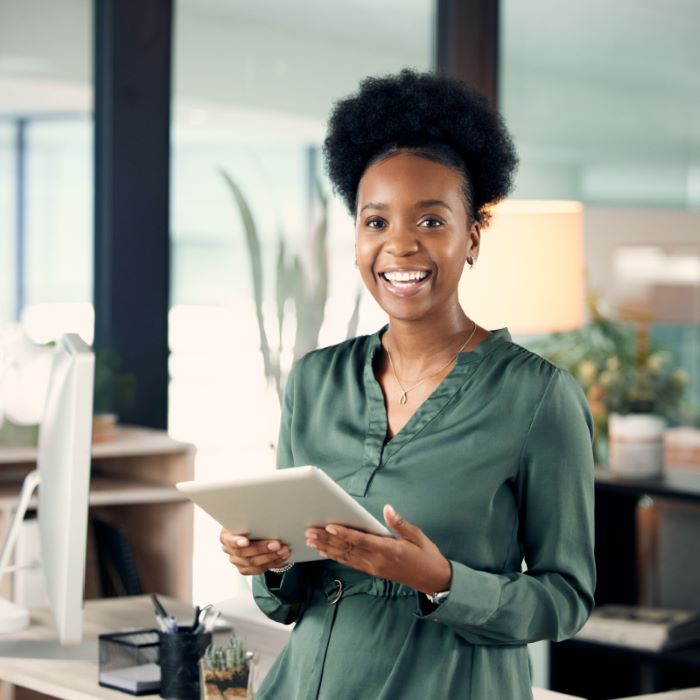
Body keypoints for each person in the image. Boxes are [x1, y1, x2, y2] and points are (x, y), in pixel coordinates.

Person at [220, 69, 596, 699]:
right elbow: (281, 604)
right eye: (376, 222)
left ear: (471, 237)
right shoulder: (315, 381)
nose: (399, 246)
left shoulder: (538, 399)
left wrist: (443, 580)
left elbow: (566, 600)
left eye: (430, 221)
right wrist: (267, 560)